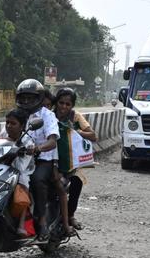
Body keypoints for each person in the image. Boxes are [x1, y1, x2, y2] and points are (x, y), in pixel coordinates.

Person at [14, 79, 60, 243]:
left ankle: (42, 221)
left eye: (30, 98)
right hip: (19, 157)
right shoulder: (17, 114)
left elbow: (52, 141)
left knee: (36, 180)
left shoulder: (47, 115)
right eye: (23, 98)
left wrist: (38, 148)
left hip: (42, 159)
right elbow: (4, 132)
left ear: (39, 98)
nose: (26, 101)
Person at [53, 87, 96, 231]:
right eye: (61, 103)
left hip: (71, 161)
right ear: (56, 102)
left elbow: (93, 136)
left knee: (77, 181)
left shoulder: (75, 117)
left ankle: (70, 215)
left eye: (68, 104)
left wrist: (75, 131)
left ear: (72, 105)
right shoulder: (49, 115)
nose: (64, 107)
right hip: (51, 158)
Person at [0, 108, 36, 238]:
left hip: (20, 171)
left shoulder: (27, 141)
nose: (9, 126)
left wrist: (17, 152)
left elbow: (20, 167)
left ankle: (21, 224)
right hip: (1, 166)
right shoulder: (4, 133)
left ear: (22, 126)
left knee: (22, 187)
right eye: (7, 122)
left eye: (13, 123)